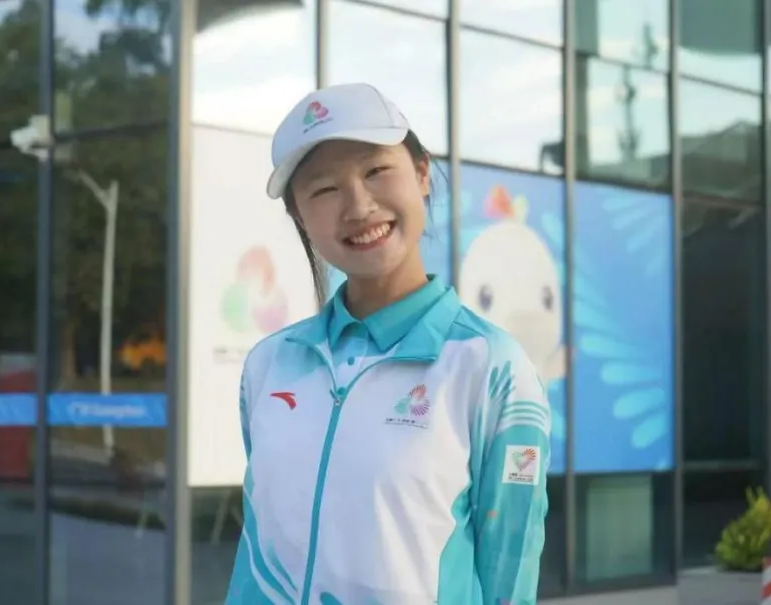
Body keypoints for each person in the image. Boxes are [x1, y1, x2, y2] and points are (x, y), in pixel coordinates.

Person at [226, 82, 550, 605]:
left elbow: (511, 565)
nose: (358, 206)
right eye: (324, 190)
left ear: (421, 174)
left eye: (376, 171)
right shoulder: (269, 364)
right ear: (300, 217)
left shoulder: (491, 368)